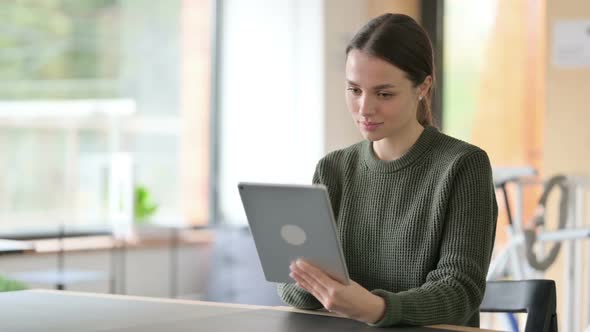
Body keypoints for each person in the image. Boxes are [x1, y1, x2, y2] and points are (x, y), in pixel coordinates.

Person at [277, 13, 498, 328]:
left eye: (384, 94)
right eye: (354, 90)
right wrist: (307, 282)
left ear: (423, 86)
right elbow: (291, 284)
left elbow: (459, 291)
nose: (365, 108)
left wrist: (376, 308)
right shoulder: (333, 169)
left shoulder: (463, 166)